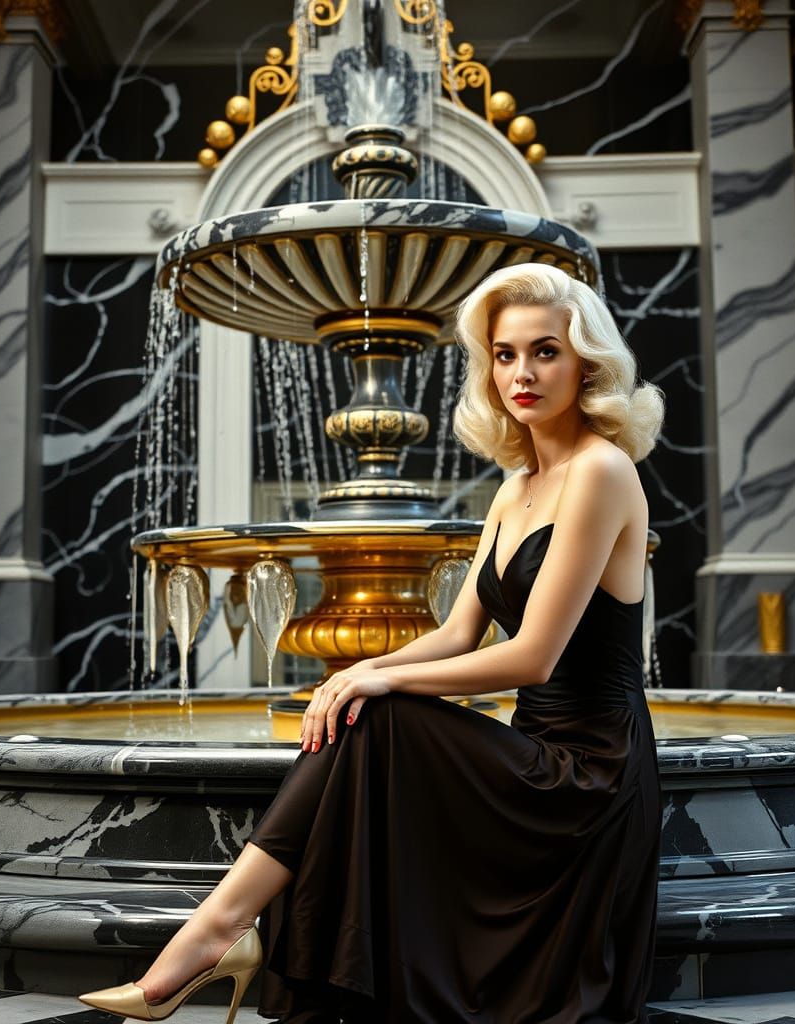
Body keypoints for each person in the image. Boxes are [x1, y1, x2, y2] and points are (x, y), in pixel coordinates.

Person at [80, 261, 665, 1023]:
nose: (522, 372)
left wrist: (381, 681)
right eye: (505, 354)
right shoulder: (516, 485)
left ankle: (218, 930)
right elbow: (458, 632)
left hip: (590, 773)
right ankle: (219, 930)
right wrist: (356, 671)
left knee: (380, 710)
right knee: (360, 707)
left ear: (586, 364)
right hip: (535, 750)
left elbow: (532, 658)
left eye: (545, 351)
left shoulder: (602, 471)